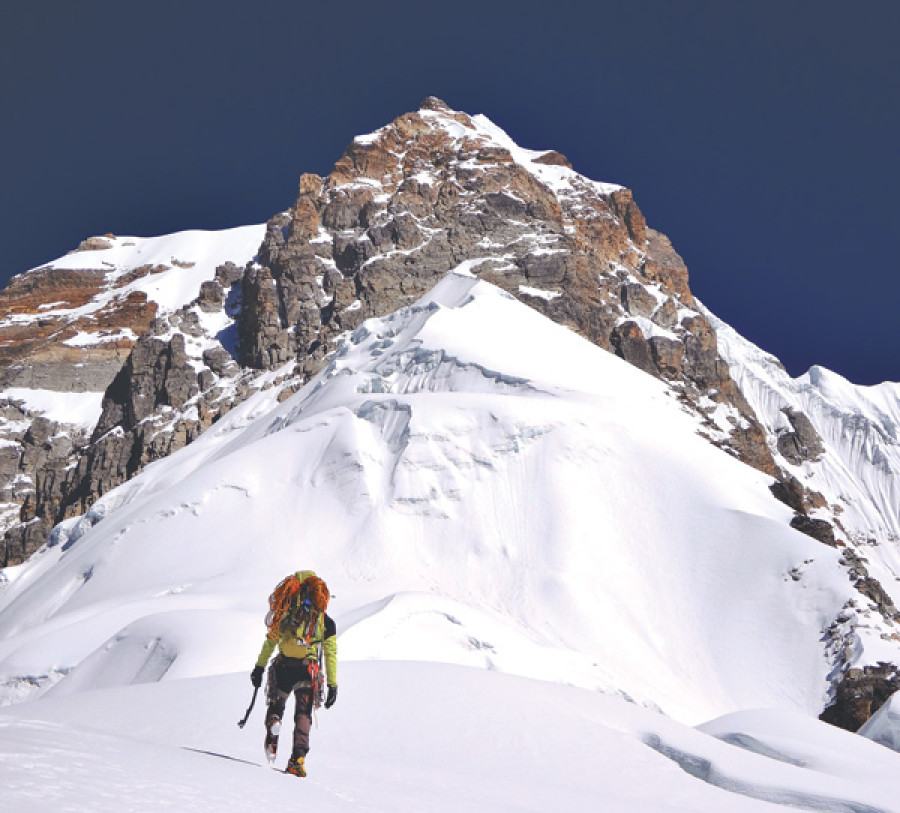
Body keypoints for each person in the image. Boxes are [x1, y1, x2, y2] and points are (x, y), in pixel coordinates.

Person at [251, 570, 338, 777]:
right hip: (308, 670)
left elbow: (270, 641)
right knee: (303, 714)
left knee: (277, 702)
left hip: (283, 666)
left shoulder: (285, 615)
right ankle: (297, 760)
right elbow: (330, 654)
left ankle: (274, 724)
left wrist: (260, 667)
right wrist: (333, 684)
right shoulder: (325, 622)